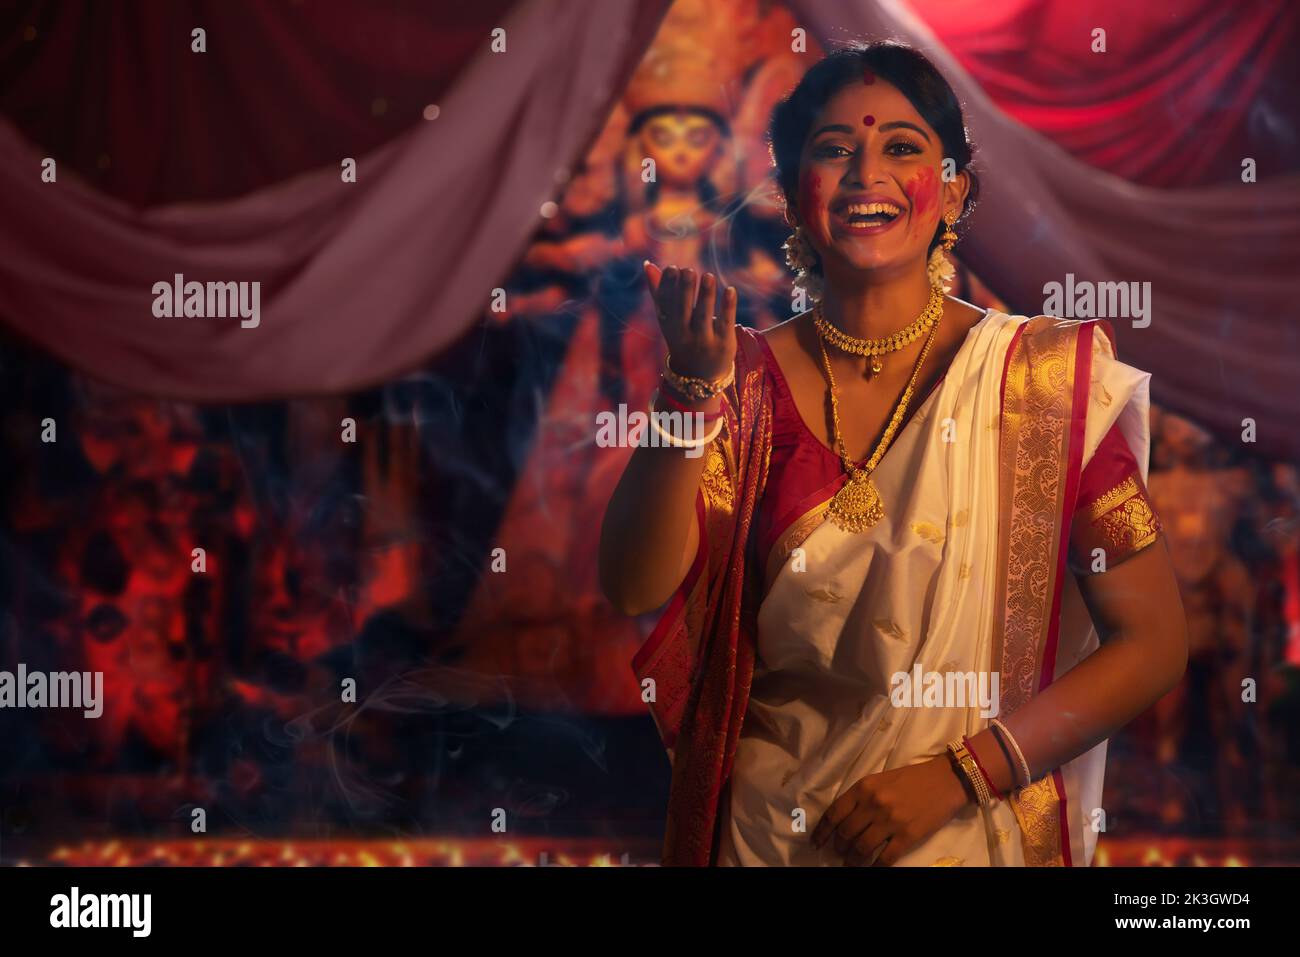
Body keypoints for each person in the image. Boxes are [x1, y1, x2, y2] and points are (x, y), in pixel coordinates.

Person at [599, 41, 1188, 867]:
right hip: (773, 840)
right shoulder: (742, 384)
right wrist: (688, 391)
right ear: (793, 198)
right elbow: (633, 581)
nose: (864, 174)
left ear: (953, 190)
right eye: (834, 150)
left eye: (902, 148)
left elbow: (1152, 641)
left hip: (966, 831)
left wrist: (961, 774)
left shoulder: (1043, 385)